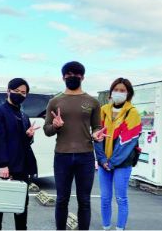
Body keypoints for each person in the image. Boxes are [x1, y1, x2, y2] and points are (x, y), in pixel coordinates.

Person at [43, 61, 102, 230]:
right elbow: (47, 130)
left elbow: (97, 126)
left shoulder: (92, 102)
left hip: (86, 156)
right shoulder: (54, 102)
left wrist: (97, 133)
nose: (72, 77)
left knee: (84, 200)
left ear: (82, 77)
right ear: (63, 77)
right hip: (62, 155)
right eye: (68, 74)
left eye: (76, 74)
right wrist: (55, 125)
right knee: (62, 199)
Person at [0, 78, 39, 230]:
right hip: (4, 166)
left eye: (23, 92)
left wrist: (28, 135)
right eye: (16, 91)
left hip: (21, 166)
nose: (20, 94)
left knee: (21, 206)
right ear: (8, 91)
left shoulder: (23, 115)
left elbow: (23, 143)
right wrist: (2, 164)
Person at [93, 78, 142, 231]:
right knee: (105, 198)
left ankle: (120, 228)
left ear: (128, 94)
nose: (119, 93)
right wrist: (102, 159)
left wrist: (112, 161)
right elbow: (97, 135)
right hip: (104, 162)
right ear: (111, 92)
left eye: (123, 90)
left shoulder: (132, 113)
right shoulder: (103, 110)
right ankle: (106, 227)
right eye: (116, 90)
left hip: (122, 163)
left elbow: (127, 142)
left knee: (121, 198)